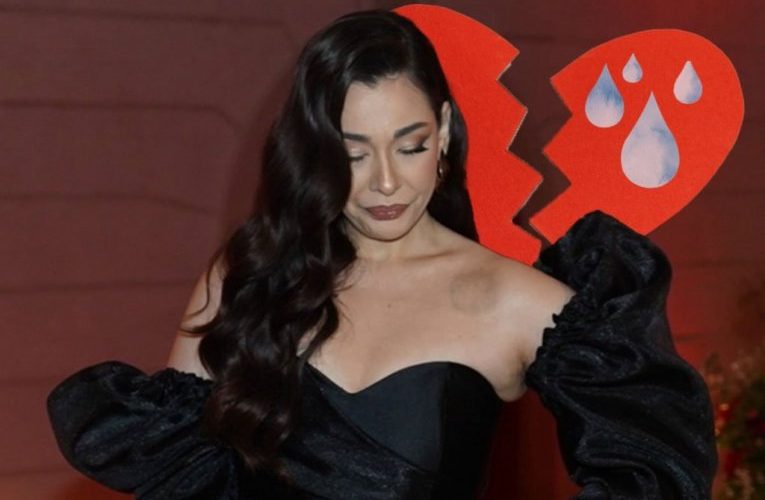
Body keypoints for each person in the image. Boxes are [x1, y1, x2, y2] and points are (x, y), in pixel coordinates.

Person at [46, 8, 718, 500]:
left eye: (410, 144)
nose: (386, 183)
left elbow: (653, 469)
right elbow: (181, 477)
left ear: (445, 131)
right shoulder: (249, 278)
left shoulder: (515, 300)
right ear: (315, 151)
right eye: (353, 152)